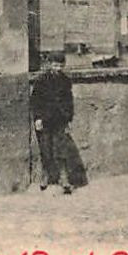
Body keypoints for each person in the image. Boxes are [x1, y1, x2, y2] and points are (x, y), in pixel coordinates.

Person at [30, 52, 86, 194]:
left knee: (61, 150)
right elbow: (35, 101)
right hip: (45, 119)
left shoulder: (65, 81)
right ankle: (46, 175)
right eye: (55, 65)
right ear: (49, 65)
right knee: (45, 149)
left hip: (60, 120)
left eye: (61, 65)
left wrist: (68, 118)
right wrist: (37, 118)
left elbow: (69, 101)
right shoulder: (41, 80)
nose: (58, 68)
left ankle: (64, 178)